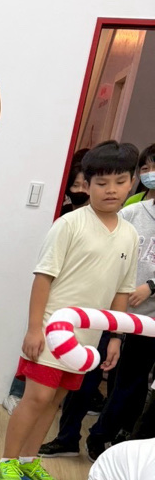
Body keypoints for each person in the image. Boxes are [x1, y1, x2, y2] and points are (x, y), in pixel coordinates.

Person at [0, 141, 139, 480]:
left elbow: (122, 291)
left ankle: (29, 461)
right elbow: (43, 278)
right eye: (101, 183)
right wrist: (34, 329)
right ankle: (6, 463)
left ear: (131, 182)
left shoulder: (130, 235)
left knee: (55, 401)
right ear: (85, 184)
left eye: (120, 181)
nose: (111, 190)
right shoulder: (69, 224)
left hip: (86, 339)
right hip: (51, 331)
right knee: (37, 398)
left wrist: (115, 338)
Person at [2, 151, 91, 415]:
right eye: (76, 185)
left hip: (81, 306)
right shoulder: (64, 218)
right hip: (52, 297)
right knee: (36, 350)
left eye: (85, 185)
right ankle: (17, 394)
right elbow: (44, 273)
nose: (81, 191)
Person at [81, 143, 155, 459]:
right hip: (118, 312)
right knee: (113, 376)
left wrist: (151, 286)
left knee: (135, 383)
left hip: (149, 317)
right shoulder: (132, 212)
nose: (150, 174)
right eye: (146, 168)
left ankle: (118, 439)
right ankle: (97, 436)